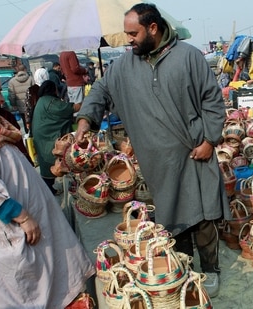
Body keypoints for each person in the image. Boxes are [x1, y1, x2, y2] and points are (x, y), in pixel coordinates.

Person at [75, 3, 230, 298]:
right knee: (173, 220)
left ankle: (210, 270)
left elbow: (212, 100)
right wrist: (86, 118)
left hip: (194, 153)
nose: (129, 40)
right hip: (159, 162)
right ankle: (183, 269)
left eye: (133, 33)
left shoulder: (189, 57)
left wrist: (210, 141)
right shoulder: (122, 66)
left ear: (153, 29)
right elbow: (100, 91)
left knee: (205, 216)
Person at [0, 66, 94, 308]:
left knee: (48, 289)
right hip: (8, 233)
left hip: (23, 230)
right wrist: (21, 216)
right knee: (24, 295)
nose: (1, 98)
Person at [31, 80, 75, 194]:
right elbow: (65, 110)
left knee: (44, 160)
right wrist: (77, 106)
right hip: (47, 136)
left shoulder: (42, 100)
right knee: (52, 158)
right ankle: (50, 188)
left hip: (41, 135)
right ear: (53, 89)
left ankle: (49, 188)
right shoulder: (50, 102)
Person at [8, 64, 34, 132]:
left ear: (17, 70)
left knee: (25, 122)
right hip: (31, 105)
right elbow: (34, 91)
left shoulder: (12, 81)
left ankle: (28, 137)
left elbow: (12, 95)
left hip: (20, 105)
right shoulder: (31, 79)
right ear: (25, 70)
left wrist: (13, 104)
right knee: (33, 121)